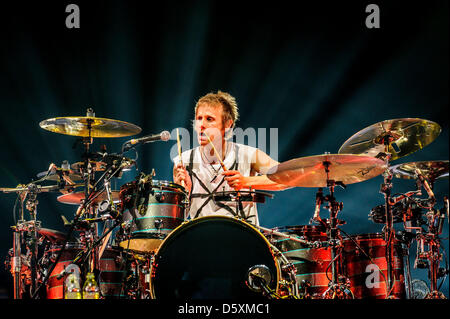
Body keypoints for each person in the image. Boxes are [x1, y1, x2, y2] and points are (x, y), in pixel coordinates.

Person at [173, 90, 289, 226]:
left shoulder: (248, 155)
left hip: (241, 238)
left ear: (228, 124)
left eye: (209, 119)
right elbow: (176, 219)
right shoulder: (183, 160)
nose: (201, 125)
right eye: (199, 118)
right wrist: (182, 193)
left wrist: (246, 181)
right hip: (201, 238)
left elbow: (287, 179)